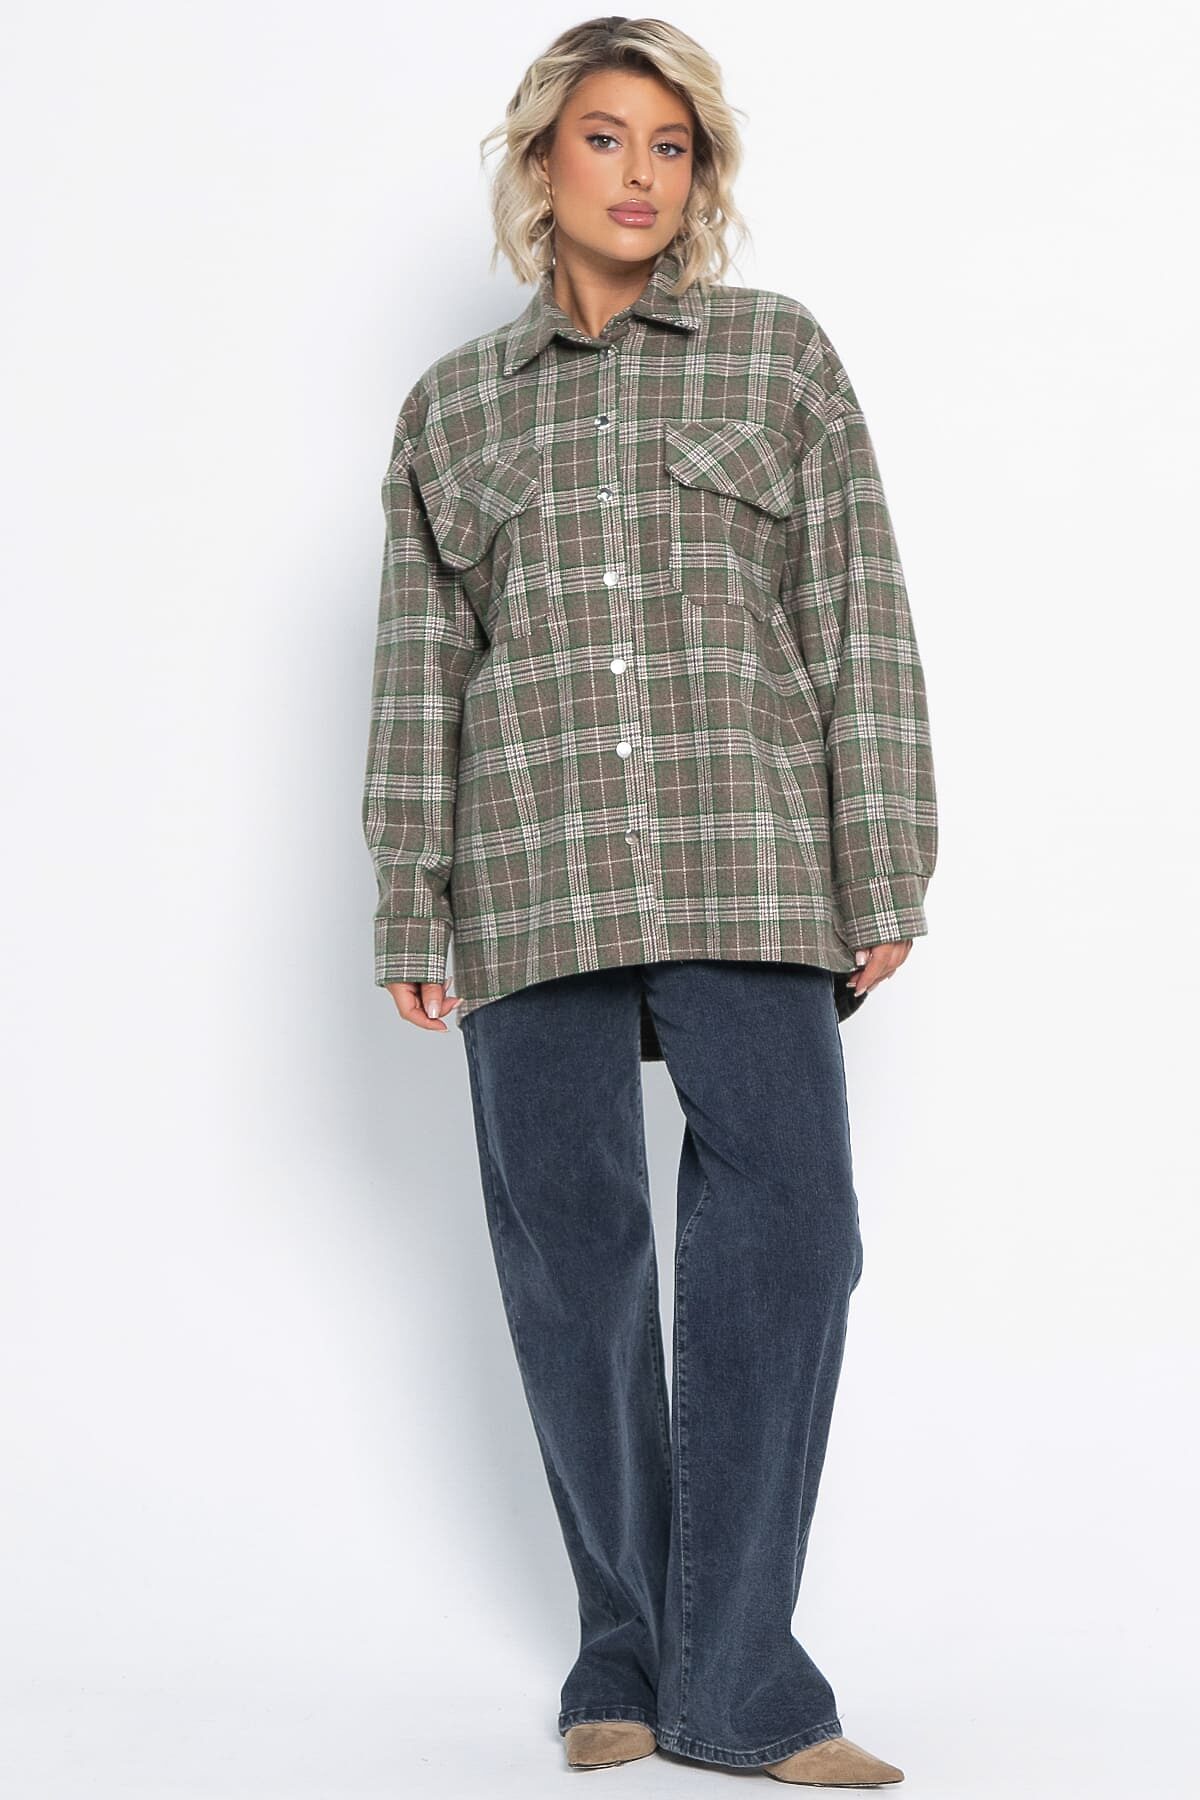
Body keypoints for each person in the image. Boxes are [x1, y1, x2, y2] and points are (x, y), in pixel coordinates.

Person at [361, 16, 937, 1786]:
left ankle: (740, 1682)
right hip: (528, 874)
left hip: (748, 858)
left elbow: (856, 615)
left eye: (671, 145)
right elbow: (419, 671)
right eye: (606, 137)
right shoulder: (455, 408)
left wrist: (885, 855)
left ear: (702, 175)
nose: (639, 173)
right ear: (543, 162)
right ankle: (620, 1651)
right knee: (574, 1258)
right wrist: (409, 899)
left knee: (796, 1235)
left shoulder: (779, 358)